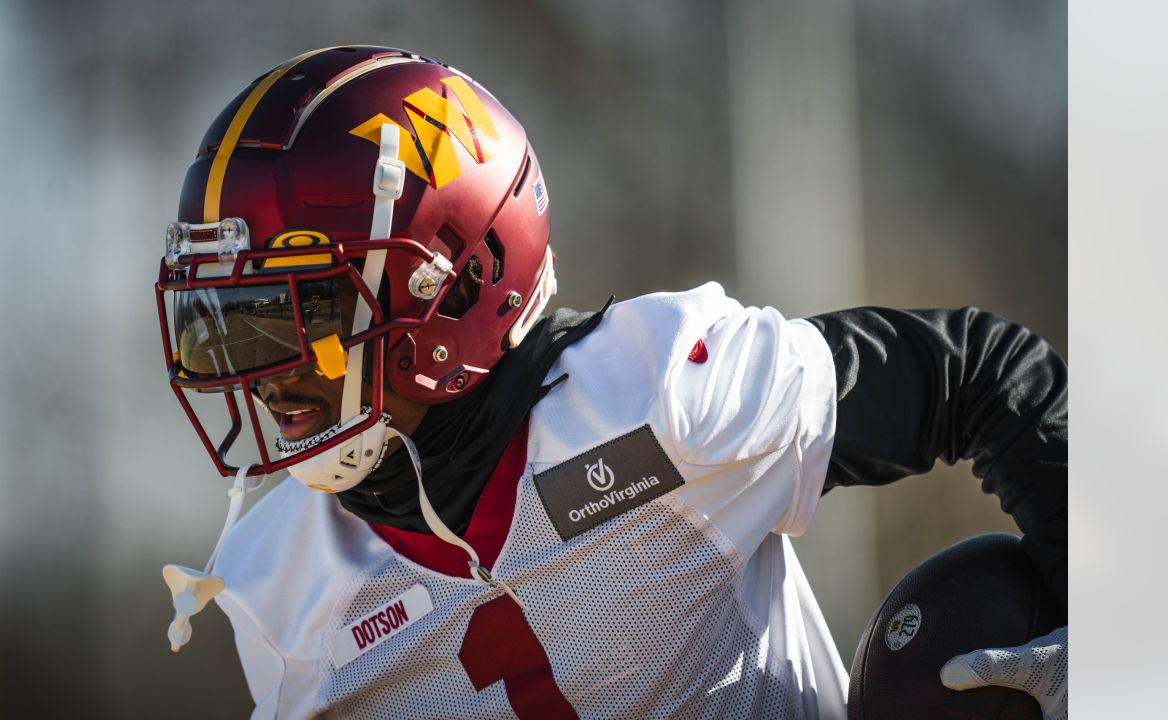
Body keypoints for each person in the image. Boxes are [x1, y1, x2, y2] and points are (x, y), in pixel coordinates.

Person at [155, 46, 1067, 719]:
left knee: (967, 640)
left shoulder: (661, 396)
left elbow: (984, 374)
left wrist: (1117, 614)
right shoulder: (281, 588)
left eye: (292, 310)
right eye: (229, 321)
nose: (255, 371)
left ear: (456, 283)